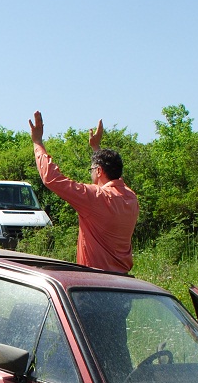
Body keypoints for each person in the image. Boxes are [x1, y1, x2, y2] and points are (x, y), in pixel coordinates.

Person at [29, 111, 139, 274]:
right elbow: (114, 177)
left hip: (95, 280)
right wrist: (96, 148)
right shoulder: (131, 197)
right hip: (123, 282)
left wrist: (37, 142)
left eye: (92, 169)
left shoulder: (96, 197)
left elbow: (51, 178)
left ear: (99, 171)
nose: (91, 173)